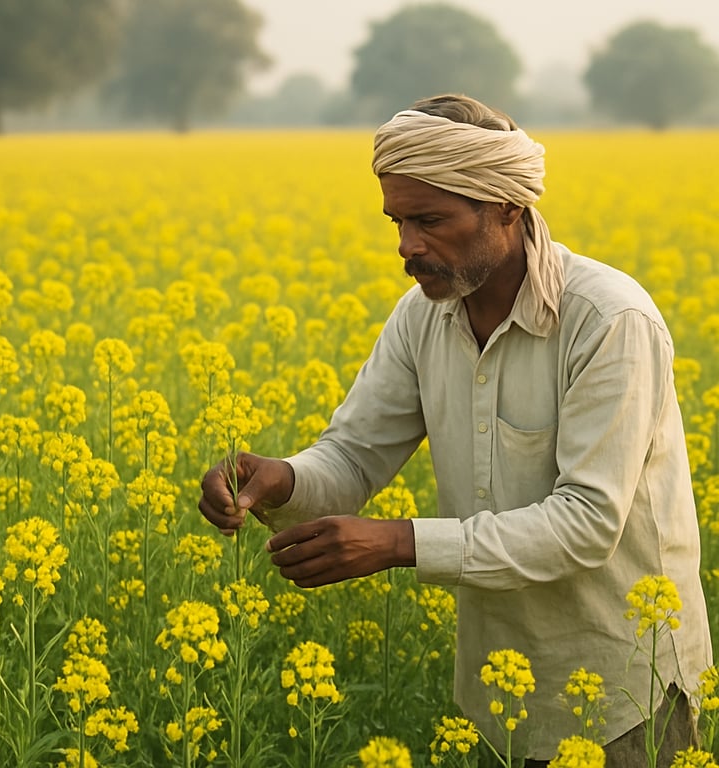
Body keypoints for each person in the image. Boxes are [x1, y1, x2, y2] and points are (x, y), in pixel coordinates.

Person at [198, 93, 712, 766]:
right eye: (398, 220)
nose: (406, 246)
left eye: (430, 220)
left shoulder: (607, 320)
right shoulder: (423, 318)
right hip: (495, 691)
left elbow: (587, 521)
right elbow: (353, 458)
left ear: (504, 206)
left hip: (622, 690)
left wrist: (400, 543)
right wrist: (281, 480)